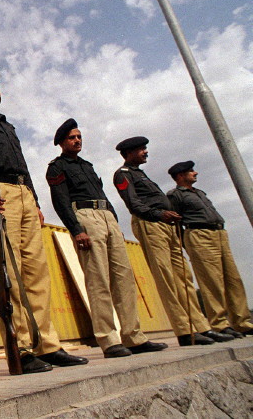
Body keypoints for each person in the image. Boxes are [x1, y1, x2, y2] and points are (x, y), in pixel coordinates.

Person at [0, 68, 87, 373]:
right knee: (8, 274)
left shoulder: (8, 127)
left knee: (37, 273)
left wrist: (36, 202)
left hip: (24, 196)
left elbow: (23, 166)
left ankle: (48, 346)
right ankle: (22, 349)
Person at [46, 120, 166, 357]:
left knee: (124, 278)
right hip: (85, 217)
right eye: (72, 138)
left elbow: (102, 194)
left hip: (106, 217)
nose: (77, 140)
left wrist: (115, 222)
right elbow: (60, 201)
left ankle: (133, 337)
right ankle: (109, 340)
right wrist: (76, 229)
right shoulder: (57, 167)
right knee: (98, 279)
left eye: (79, 136)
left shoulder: (88, 166)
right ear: (61, 142)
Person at [113, 138, 232, 346]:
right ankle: (185, 331)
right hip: (151, 223)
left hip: (168, 225)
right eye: (141, 149)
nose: (145, 152)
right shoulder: (123, 174)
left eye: (145, 148)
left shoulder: (142, 175)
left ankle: (201, 327)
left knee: (183, 277)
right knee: (166, 277)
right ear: (129, 152)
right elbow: (133, 204)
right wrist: (159, 214)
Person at [167, 161, 253, 337]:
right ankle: (220, 323)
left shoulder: (199, 193)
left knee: (233, 279)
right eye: (191, 171)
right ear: (180, 176)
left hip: (219, 233)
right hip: (199, 234)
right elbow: (175, 221)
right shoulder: (175, 195)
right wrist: (184, 243)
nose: (195, 173)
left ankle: (242, 322)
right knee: (212, 280)